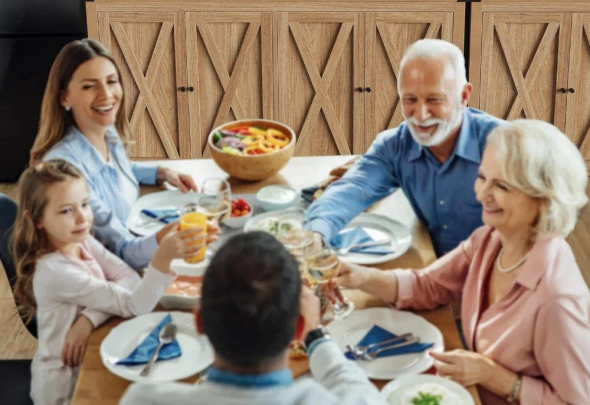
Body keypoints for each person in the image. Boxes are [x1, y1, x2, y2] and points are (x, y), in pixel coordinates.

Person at [335, 120, 590, 404]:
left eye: (501, 186)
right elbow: (427, 285)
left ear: (544, 200)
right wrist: (359, 277)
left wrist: (494, 376)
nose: (481, 194)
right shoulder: (491, 240)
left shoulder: (557, 301)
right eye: (482, 177)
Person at [12, 159, 204, 405]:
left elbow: (129, 277)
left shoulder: (78, 240)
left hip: (94, 350)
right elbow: (136, 305)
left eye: (84, 204)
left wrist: (88, 318)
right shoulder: (55, 271)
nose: (82, 218)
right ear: (37, 219)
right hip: (66, 390)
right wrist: (163, 257)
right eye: (66, 210)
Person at [121, 231, 386, 405]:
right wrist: (316, 337)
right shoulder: (315, 399)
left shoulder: (142, 400)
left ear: (199, 322)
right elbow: (358, 391)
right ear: (297, 331)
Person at [30, 38, 218, 270]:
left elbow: (120, 170)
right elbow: (123, 251)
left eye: (111, 81)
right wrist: (173, 235)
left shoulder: (106, 133)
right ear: (64, 97)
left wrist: (163, 173)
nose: (106, 94)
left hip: (135, 247)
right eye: (89, 86)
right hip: (109, 277)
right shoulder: (66, 169)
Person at [304, 39, 503, 255]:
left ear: (464, 96)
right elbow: (350, 190)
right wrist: (316, 233)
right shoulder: (394, 146)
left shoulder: (507, 145)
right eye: (410, 100)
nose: (420, 115)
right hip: (432, 272)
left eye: (435, 100)